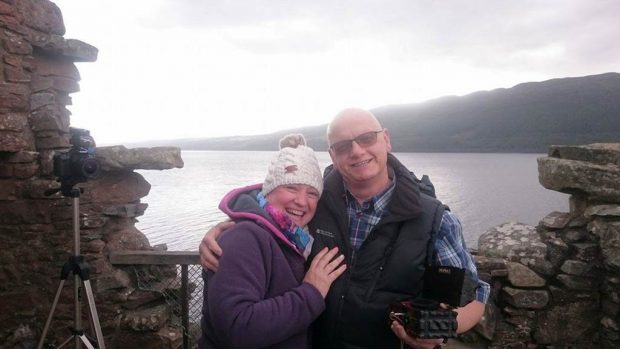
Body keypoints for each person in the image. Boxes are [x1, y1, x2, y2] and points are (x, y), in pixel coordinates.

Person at [201, 108, 490, 349]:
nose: (356, 151)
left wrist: (438, 331)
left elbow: (474, 297)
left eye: (366, 138)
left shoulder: (433, 219)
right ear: (333, 154)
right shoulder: (316, 200)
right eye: (343, 146)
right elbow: (272, 208)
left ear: (386, 140)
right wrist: (231, 227)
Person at [199, 134, 347, 349]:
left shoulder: (299, 238)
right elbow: (238, 329)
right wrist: (312, 292)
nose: (301, 201)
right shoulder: (243, 238)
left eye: (312, 193)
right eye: (291, 188)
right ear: (269, 190)